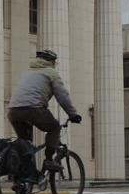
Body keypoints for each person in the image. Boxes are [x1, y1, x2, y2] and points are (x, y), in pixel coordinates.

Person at [7, 49, 82, 180]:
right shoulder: (51, 73)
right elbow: (62, 96)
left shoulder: (27, 73)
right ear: (51, 62)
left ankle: (26, 177)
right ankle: (48, 160)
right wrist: (73, 114)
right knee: (54, 128)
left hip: (13, 111)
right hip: (33, 109)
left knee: (26, 145)